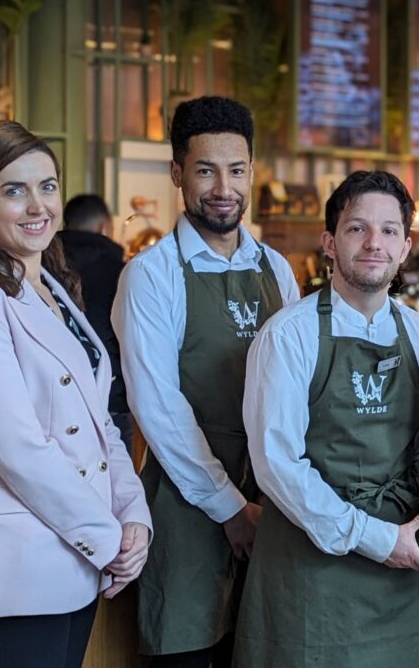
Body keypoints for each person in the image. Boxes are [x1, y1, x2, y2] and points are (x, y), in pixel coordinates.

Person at [111, 96, 299, 667]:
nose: (224, 187)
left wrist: (267, 501)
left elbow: (296, 389)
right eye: (205, 170)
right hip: (188, 505)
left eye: (237, 170)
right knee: (187, 650)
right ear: (177, 173)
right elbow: (158, 408)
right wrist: (230, 508)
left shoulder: (277, 269)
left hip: (272, 505)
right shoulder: (150, 275)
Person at [0, 121, 151, 668]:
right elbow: (18, 450)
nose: (36, 205)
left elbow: (101, 422)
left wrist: (134, 515)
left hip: (71, 566)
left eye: (47, 186)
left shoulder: (55, 290)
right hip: (13, 577)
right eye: (12, 190)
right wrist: (109, 539)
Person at [235, 170, 419, 667]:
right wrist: (375, 538)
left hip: (404, 565)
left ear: (405, 247)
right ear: (329, 243)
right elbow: (276, 464)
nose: (374, 243)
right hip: (313, 563)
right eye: (357, 228)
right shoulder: (288, 335)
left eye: (389, 230)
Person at [59, 194, 133, 453]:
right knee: (114, 482)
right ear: (105, 227)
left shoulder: (42, 267)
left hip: (56, 397)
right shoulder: (122, 272)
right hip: (110, 394)